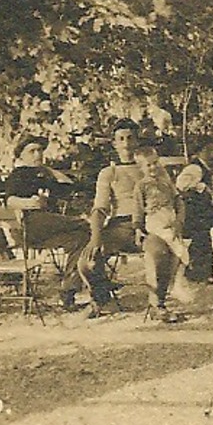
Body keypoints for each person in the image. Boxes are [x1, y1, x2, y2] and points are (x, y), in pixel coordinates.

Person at [4, 136, 94, 309]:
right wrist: (30, 203)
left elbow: (70, 186)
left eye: (40, 150)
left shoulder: (43, 175)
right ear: (21, 156)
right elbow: (10, 200)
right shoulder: (18, 174)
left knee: (81, 238)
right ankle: (98, 283)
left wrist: (50, 170)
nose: (38, 154)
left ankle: (68, 291)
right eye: (32, 151)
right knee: (86, 225)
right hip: (31, 224)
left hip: (49, 228)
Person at [76, 118, 146, 317]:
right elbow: (100, 209)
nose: (126, 143)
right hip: (121, 227)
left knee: (161, 252)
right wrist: (95, 237)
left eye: (130, 138)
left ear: (138, 141)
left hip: (149, 225)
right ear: (114, 143)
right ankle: (102, 299)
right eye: (121, 139)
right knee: (86, 261)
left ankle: (158, 303)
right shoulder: (109, 173)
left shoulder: (149, 168)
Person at [132, 145, 191, 320]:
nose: (153, 167)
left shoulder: (166, 182)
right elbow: (138, 209)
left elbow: (178, 201)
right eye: (148, 165)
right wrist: (137, 229)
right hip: (156, 223)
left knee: (177, 253)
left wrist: (180, 220)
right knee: (179, 251)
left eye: (155, 163)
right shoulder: (141, 186)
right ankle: (176, 286)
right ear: (141, 168)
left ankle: (174, 284)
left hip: (170, 221)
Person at [175, 160, 213, 281]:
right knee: (204, 239)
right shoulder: (192, 196)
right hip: (196, 228)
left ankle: (204, 269)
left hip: (201, 227)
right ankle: (201, 270)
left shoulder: (200, 192)